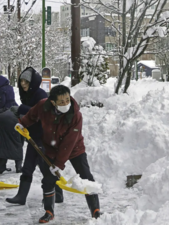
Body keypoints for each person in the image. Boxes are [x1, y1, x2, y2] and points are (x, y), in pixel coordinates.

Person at [15, 85, 100, 223]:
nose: (66, 103)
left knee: (86, 176)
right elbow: (32, 115)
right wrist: (23, 124)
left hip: (74, 149)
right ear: (53, 102)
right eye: (61, 101)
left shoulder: (75, 114)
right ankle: (49, 211)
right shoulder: (43, 105)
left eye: (67, 99)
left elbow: (69, 141)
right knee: (48, 179)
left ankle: (95, 210)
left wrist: (59, 164)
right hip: (51, 148)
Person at [6, 67, 64, 205]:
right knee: (28, 167)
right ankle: (21, 197)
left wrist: (21, 109)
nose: (23, 84)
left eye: (26, 81)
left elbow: (43, 114)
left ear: (32, 82)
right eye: (21, 81)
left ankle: (58, 193)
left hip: (44, 138)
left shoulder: (40, 94)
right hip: (33, 137)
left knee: (45, 168)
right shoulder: (27, 95)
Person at [0, 75, 22, 174]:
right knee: (17, 141)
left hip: (5, 115)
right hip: (15, 113)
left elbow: (2, 102)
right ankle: (18, 167)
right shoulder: (9, 87)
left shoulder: (1, 90)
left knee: (3, 142)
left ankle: (1, 167)